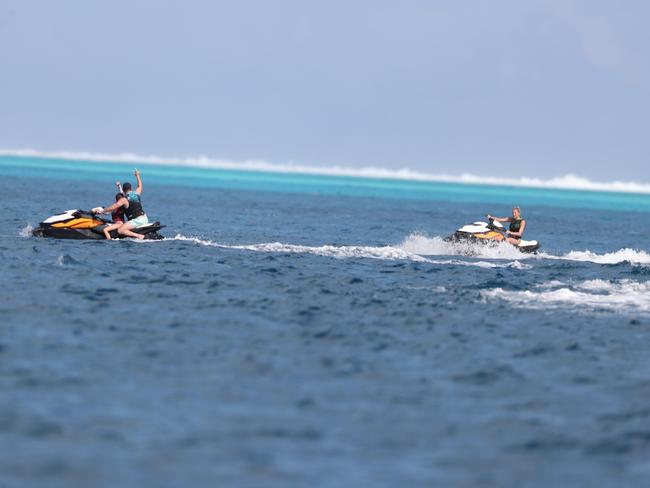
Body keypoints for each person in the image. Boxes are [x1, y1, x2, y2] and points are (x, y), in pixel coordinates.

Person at [94, 169, 148, 240]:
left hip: (137, 220)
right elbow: (139, 186)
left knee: (120, 230)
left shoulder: (124, 199)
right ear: (130, 188)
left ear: (124, 190)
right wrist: (137, 175)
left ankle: (139, 236)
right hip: (144, 218)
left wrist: (103, 210)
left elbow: (114, 206)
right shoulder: (137, 193)